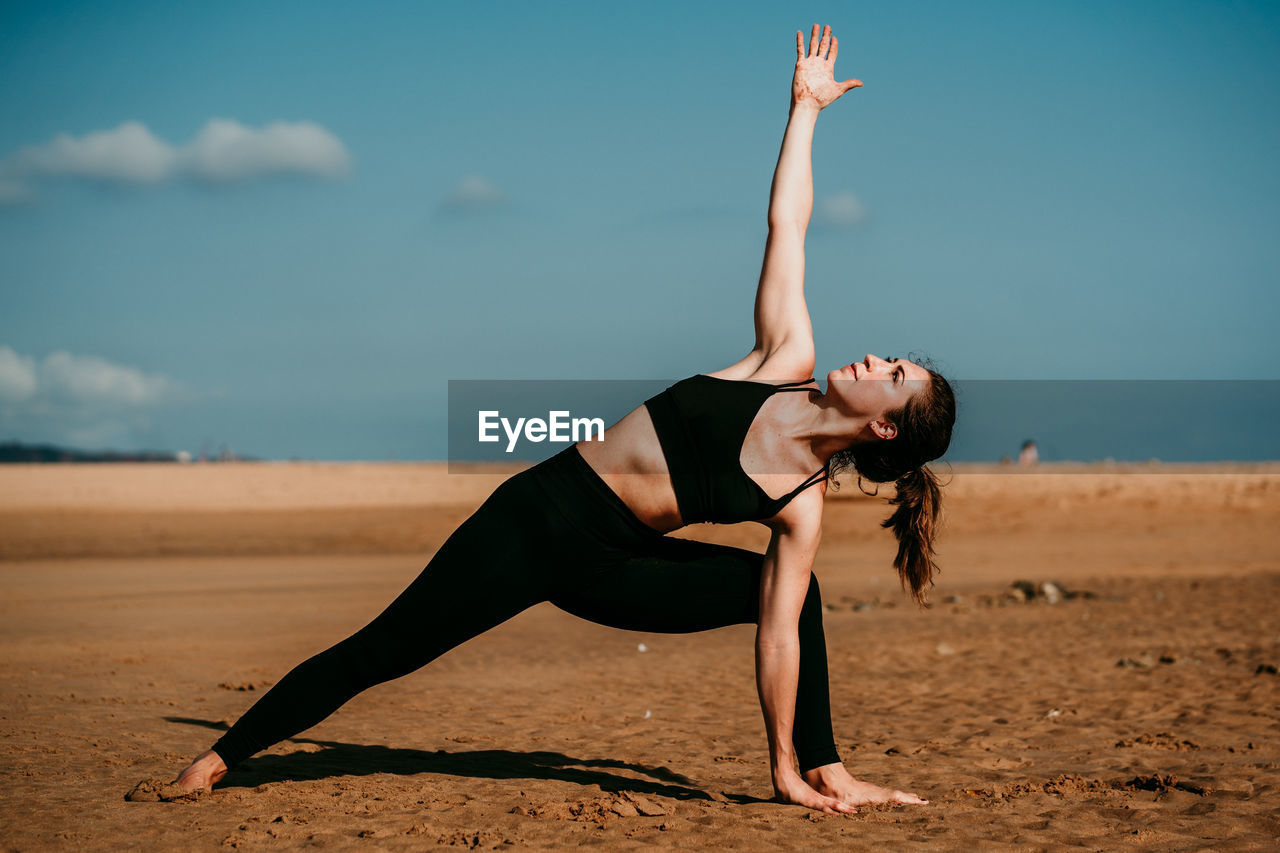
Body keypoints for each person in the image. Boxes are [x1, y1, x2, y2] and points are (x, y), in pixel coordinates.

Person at [173, 24, 955, 815]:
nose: (876, 361)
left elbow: (777, 639)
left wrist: (780, 766)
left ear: (887, 428)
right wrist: (805, 111)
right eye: (893, 358)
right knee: (386, 648)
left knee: (792, 596)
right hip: (536, 517)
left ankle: (821, 769)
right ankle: (219, 755)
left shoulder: (802, 503)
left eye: (894, 378)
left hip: (615, 569)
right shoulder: (784, 357)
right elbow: (788, 225)